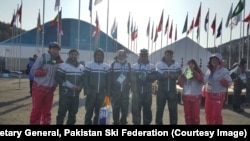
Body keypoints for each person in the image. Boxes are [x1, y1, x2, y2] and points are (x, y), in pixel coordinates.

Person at [29, 42, 63, 125]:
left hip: (50, 90)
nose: (55, 51)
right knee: (36, 110)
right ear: (50, 49)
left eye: (57, 50)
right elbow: (32, 71)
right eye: (53, 49)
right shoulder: (42, 58)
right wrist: (42, 72)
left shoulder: (59, 61)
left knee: (47, 111)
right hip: (39, 88)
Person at [55, 49, 85, 125]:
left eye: (75, 54)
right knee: (62, 112)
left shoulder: (81, 67)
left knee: (73, 113)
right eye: (72, 54)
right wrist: (69, 85)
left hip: (76, 94)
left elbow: (83, 79)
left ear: (77, 56)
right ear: (69, 55)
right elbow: (58, 78)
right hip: (65, 94)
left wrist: (80, 87)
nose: (74, 56)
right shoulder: (63, 65)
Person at [131, 48, 158, 125]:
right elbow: (131, 77)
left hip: (147, 92)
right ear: (139, 56)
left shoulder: (152, 66)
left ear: (147, 56)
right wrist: (138, 78)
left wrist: (147, 78)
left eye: (145, 55)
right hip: (137, 92)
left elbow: (155, 76)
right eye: (142, 55)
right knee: (136, 110)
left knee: (147, 110)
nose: (143, 57)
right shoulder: (134, 66)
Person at [203, 53, 232, 125]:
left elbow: (230, 83)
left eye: (216, 59)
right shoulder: (209, 70)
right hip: (209, 95)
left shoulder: (224, 70)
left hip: (218, 96)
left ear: (219, 61)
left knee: (216, 115)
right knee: (208, 113)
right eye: (212, 60)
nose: (214, 61)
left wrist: (224, 82)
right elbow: (204, 81)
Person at [84, 48, 110, 125]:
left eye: (100, 55)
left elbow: (108, 80)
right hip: (91, 92)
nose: (99, 56)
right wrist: (87, 89)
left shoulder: (106, 66)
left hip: (102, 93)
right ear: (94, 56)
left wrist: (108, 91)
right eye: (97, 54)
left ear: (103, 56)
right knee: (89, 111)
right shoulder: (89, 65)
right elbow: (85, 78)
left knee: (101, 111)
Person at [155, 49, 182, 125]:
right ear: (165, 55)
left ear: (172, 56)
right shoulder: (159, 64)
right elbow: (156, 75)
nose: (169, 56)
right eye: (167, 54)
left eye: (170, 55)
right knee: (159, 109)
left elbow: (180, 74)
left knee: (173, 110)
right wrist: (163, 76)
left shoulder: (176, 65)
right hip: (161, 91)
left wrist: (174, 76)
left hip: (172, 91)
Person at [177, 59, 204, 125]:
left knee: (195, 115)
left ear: (195, 65)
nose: (190, 65)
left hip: (195, 97)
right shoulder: (186, 72)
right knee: (187, 115)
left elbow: (202, 80)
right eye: (189, 64)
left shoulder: (199, 72)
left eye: (192, 63)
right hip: (186, 97)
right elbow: (181, 84)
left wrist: (194, 73)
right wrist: (180, 79)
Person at [109, 49, 132, 125]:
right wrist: (111, 89)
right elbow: (110, 77)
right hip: (116, 91)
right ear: (117, 55)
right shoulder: (112, 64)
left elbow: (131, 77)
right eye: (119, 55)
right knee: (115, 107)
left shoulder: (128, 65)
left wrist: (130, 87)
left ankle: (123, 121)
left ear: (125, 56)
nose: (121, 56)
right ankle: (116, 121)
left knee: (125, 107)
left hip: (125, 91)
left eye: (122, 55)